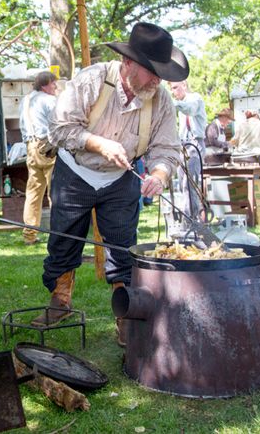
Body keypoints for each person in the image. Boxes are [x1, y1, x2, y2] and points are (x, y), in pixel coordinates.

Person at [35, 22, 183, 333]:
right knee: (63, 239)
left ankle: (125, 313)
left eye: (161, 71)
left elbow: (167, 149)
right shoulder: (92, 80)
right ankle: (60, 301)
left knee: (123, 246)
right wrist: (99, 143)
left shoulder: (162, 99)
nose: (158, 78)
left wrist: (158, 173)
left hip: (120, 178)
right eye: (151, 70)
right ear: (128, 62)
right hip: (75, 172)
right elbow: (59, 129)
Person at [19, 71, 58, 245]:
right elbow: (60, 121)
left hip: (31, 147)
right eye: (53, 84)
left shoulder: (26, 100)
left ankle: (29, 235)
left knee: (33, 193)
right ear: (44, 85)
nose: (55, 87)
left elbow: (21, 126)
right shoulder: (48, 100)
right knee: (56, 192)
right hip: (47, 147)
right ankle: (59, 234)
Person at [170, 80, 207, 218]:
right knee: (181, 183)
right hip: (183, 145)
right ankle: (190, 215)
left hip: (195, 144)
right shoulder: (181, 106)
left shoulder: (194, 99)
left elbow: (190, 109)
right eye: (172, 89)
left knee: (189, 183)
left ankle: (191, 219)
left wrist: (173, 103)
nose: (174, 92)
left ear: (184, 85)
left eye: (175, 87)